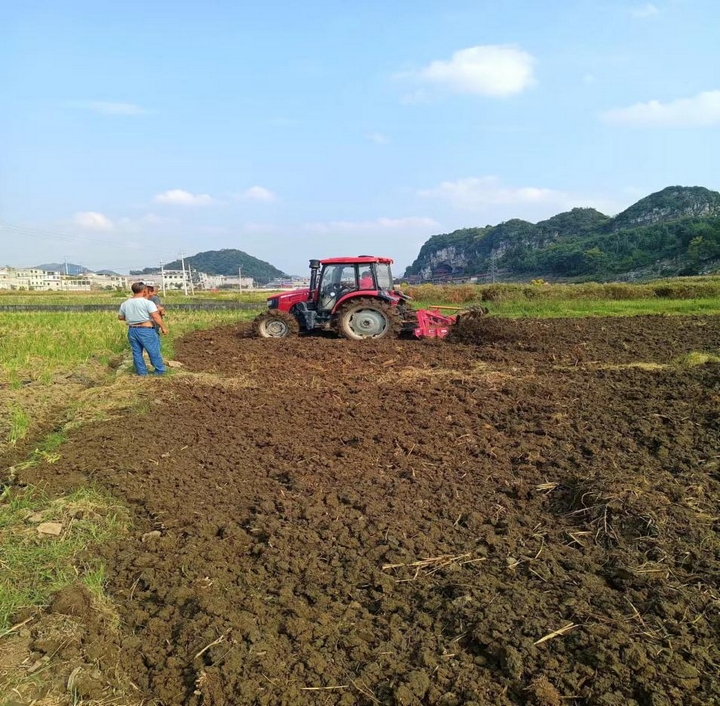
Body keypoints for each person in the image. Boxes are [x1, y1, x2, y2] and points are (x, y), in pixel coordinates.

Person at [118, 282, 168, 375]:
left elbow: (120, 317)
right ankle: (159, 371)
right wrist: (163, 327)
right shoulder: (147, 303)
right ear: (144, 291)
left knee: (137, 353)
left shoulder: (125, 303)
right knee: (153, 351)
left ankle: (142, 373)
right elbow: (156, 316)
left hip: (132, 330)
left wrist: (131, 318)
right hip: (146, 330)